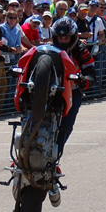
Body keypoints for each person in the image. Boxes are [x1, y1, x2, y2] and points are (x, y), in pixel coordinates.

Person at [41, 16, 93, 163]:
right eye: (60, 38)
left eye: (66, 38)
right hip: (46, 89)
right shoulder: (47, 49)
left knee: (67, 123)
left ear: (74, 37)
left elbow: (91, 73)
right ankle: (24, 150)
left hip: (71, 89)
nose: (63, 41)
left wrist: (84, 81)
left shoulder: (80, 50)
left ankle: (54, 157)